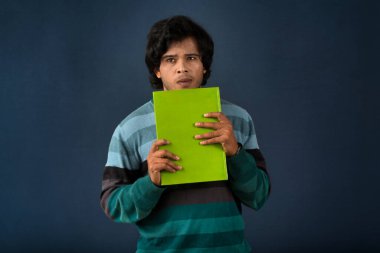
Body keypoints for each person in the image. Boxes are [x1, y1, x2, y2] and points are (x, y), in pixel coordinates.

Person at [100, 15, 270, 252]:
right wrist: (151, 183)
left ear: (205, 66)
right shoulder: (130, 128)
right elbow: (114, 206)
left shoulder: (238, 119)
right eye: (170, 59)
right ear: (157, 70)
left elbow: (259, 195)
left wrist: (235, 153)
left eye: (191, 57)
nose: (182, 67)